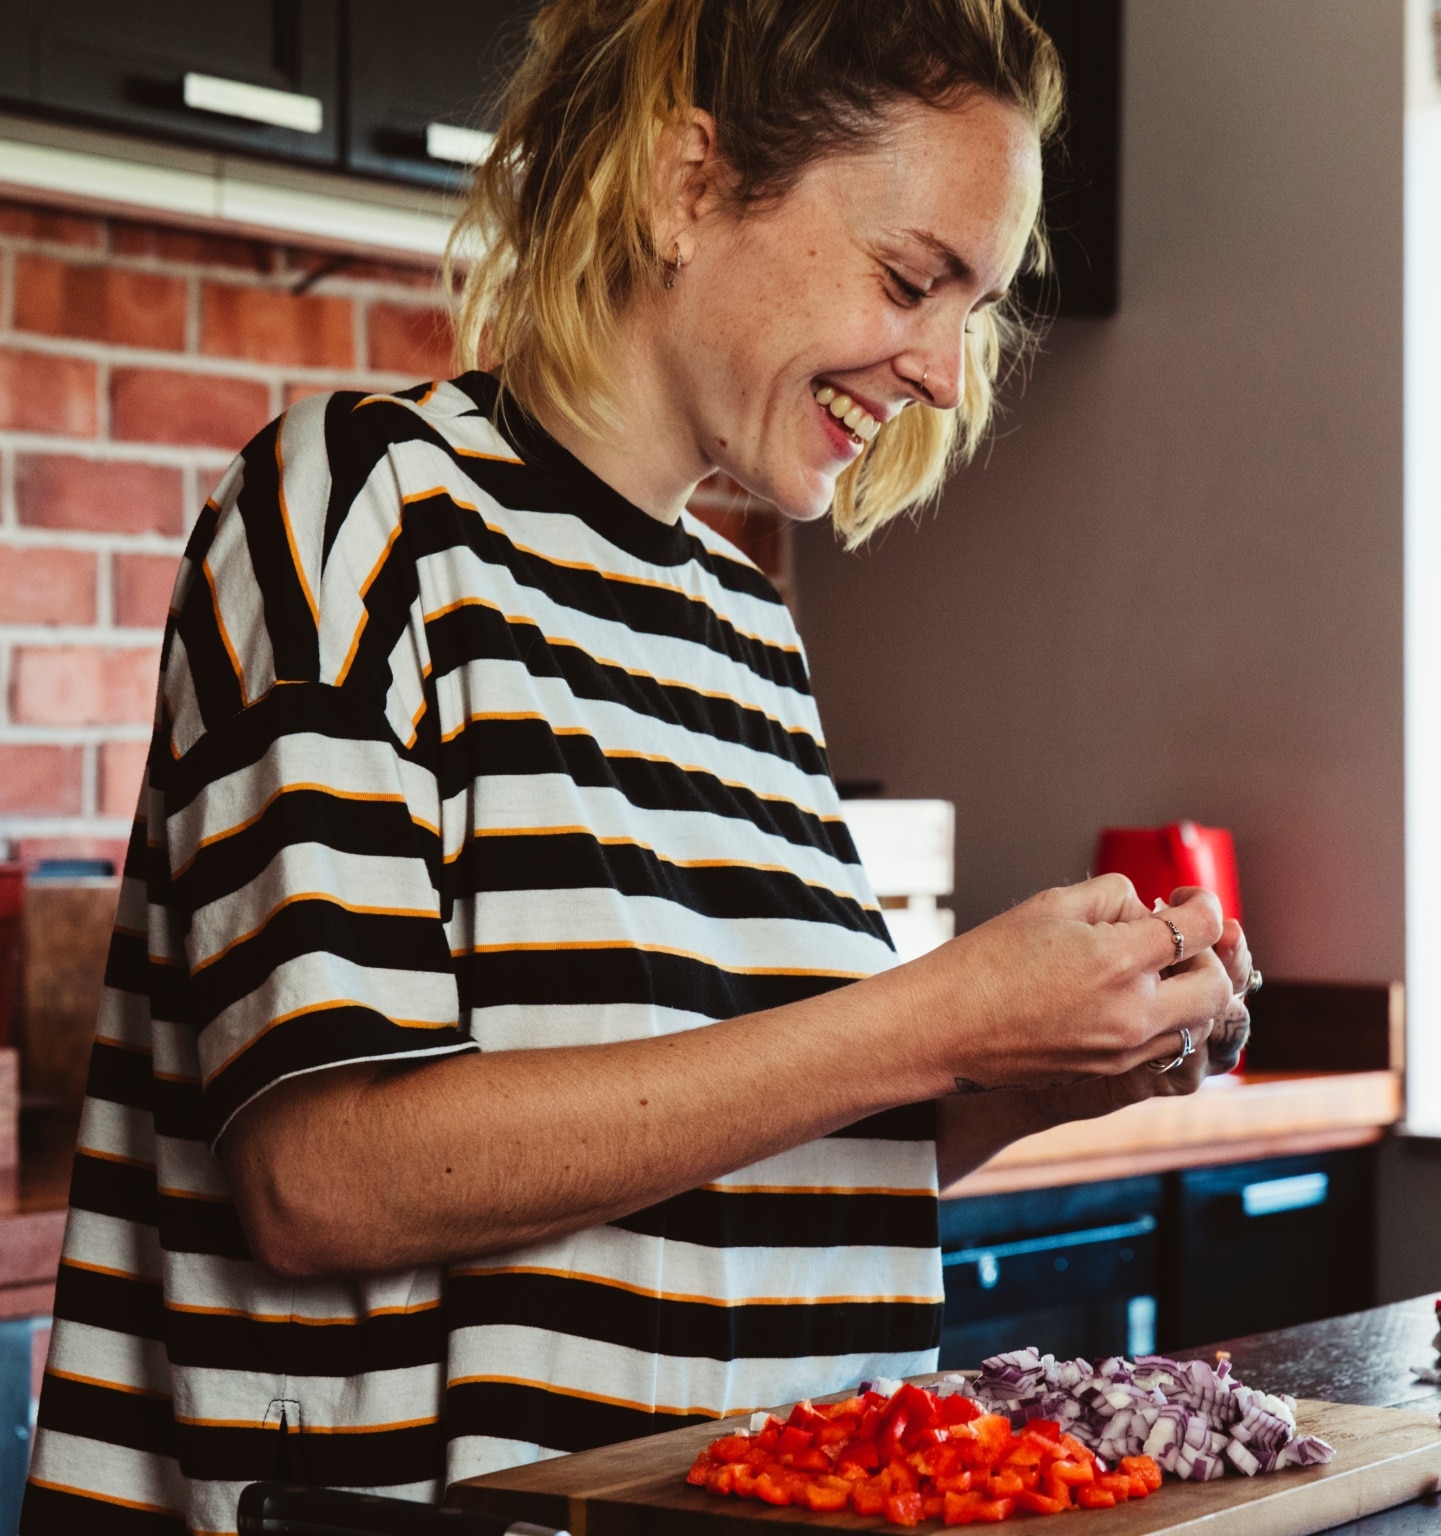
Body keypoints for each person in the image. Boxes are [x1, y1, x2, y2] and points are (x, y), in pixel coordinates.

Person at [21, 2, 1254, 1532]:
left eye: (972, 307)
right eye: (910, 278)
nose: (945, 370)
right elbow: (324, 1175)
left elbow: (750, 1146)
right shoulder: (358, 511)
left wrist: (1033, 1067)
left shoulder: (744, 629)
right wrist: (934, 1021)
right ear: (687, 185)